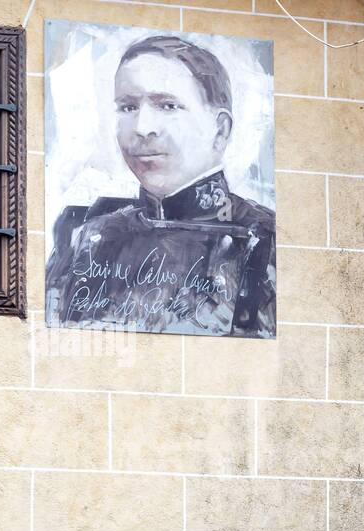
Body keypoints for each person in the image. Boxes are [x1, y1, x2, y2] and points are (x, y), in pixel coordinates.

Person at [45, 34, 276, 338]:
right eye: (127, 107)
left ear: (219, 130)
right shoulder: (87, 234)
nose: (142, 128)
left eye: (167, 105)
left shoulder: (264, 239)